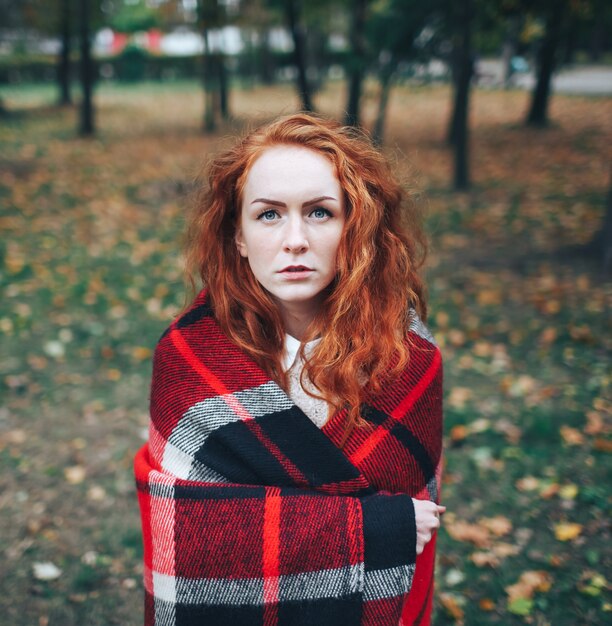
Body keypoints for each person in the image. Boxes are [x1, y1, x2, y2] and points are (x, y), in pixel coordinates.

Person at [135, 113, 444, 626]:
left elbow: (422, 534)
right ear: (238, 236)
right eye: (269, 215)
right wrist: (375, 529)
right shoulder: (187, 359)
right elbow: (181, 529)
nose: (295, 240)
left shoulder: (406, 356)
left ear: (355, 227)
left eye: (320, 213)